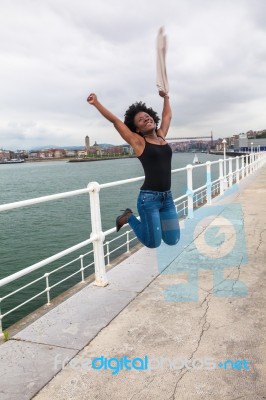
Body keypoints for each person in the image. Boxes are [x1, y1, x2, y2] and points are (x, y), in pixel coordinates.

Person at [87, 91, 180, 248]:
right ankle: (128, 217)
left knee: (173, 239)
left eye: (147, 117)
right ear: (137, 129)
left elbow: (167, 116)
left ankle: (147, 225)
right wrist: (96, 103)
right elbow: (116, 121)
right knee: (153, 243)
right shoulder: (138, 142)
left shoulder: (161, 135)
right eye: (141, 120)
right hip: (149, 199)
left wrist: (165, 97)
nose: (146, 119)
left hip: (167, 198)